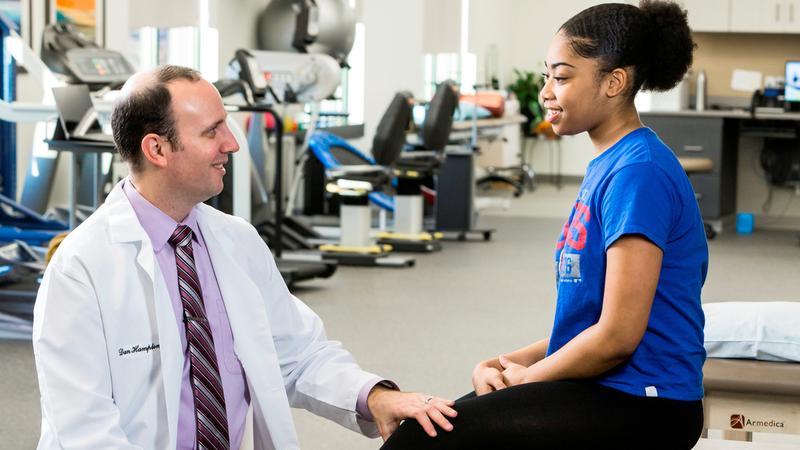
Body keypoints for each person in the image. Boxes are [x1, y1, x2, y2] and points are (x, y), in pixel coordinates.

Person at [32, 65, 457, 450]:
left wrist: (376, 397)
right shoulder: (80, 268)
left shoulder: (236, 241)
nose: (231, 144)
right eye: (211, 132)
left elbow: (298, 353)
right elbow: (84, 430)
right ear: (157, 150)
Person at [381, 2, 706, 449]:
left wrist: (528, 379)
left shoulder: (639, 173)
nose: (546, 92)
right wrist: (500, 362)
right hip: (604, 387)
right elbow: (585, 327)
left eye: (562, 76)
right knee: (433, 424)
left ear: (614, 82)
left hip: (646, 403)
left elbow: (617, 336)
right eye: (546, 77)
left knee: (422, 439)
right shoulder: (610, 165)